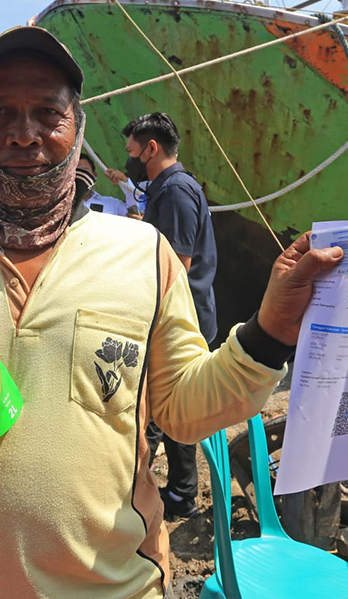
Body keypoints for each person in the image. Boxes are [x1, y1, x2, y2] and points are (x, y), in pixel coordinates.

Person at [0, 26, 343, 598]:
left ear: (80, 129)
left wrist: (273, 329)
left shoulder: (144, 252)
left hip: (120, 587)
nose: (24, 135)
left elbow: (185, 411)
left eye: (49, 112)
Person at [122, 112, 218, 520]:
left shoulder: (176, 190)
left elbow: (176, 263)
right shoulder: (169, 188)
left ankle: (182, 493)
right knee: (166, 407)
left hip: (183, 316)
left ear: (151, 148)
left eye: (132, 151)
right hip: (182, 311)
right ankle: (176, 489)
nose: (130, 159)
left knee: (175, 404)